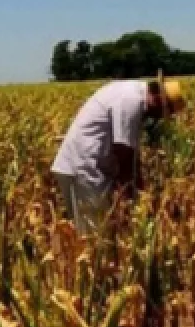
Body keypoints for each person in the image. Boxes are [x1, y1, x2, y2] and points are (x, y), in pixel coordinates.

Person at [51, 78, 185, 232]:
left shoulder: (130, 92)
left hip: (77, 165)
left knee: (84, 230)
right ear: (159, 99)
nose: (157, 118)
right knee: (95, 233)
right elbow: (124, 153)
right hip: (85, 169)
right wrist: (133, 196)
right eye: (161, 112)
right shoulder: (131, 101)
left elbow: (129, 154)